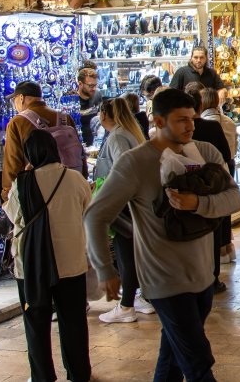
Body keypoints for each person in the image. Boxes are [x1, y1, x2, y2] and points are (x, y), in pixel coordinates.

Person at [85, 88, 240, 380]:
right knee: (198, 362)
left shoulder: (205, 152)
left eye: (192, 119)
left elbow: (235, 199)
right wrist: (104, 269)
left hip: (202, 276)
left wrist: (198, 203)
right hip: (163, 280)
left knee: (172, 359)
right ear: (158, 121)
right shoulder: (134, 162)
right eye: (181, 120)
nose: (190, 126)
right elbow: (95, 214)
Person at [6, 131, 93, 382]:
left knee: (36, 321)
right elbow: (86, 211)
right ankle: (79, 372)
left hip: (33, 265)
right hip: (71, 263)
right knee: (74, 321)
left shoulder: (23, 182)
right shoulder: (75, 178)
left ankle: (42, 375)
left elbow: (14, 217)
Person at [93, 98, 155, 324]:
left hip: (122, 203)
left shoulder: (117, 136)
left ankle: (127, 304)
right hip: (130, 201)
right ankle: (136, 297)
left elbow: (122, 168)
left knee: (124, 253)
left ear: (104, 115)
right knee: (129, 251)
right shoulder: (128, 133)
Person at [184, 83, 235, 294]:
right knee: (211, 232)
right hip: (211, 187)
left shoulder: (196, 134)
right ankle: (212, 278)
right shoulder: (213, 127)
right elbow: (225, 154)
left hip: (193, 189)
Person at [1, 81, 60, 198]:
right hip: (64, 185)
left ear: (21, 98)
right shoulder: (64, 118)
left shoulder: (17, 123)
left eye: (15, 100)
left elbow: (13, 163)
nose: (15, 104)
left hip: (35, 192)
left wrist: (7, 193)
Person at [199, 88, 237, 159]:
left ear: (201, 102)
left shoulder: (203, 124)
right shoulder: (229, 121)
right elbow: (236, 143)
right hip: (230, 161)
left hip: (213, 166)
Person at [74, 68, 103, 145]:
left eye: (95, 85)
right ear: (80, 84)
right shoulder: (73, 101)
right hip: (77, 143)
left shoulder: (97, 94)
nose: (94, 88)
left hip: (95, 143)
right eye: (90, 86)